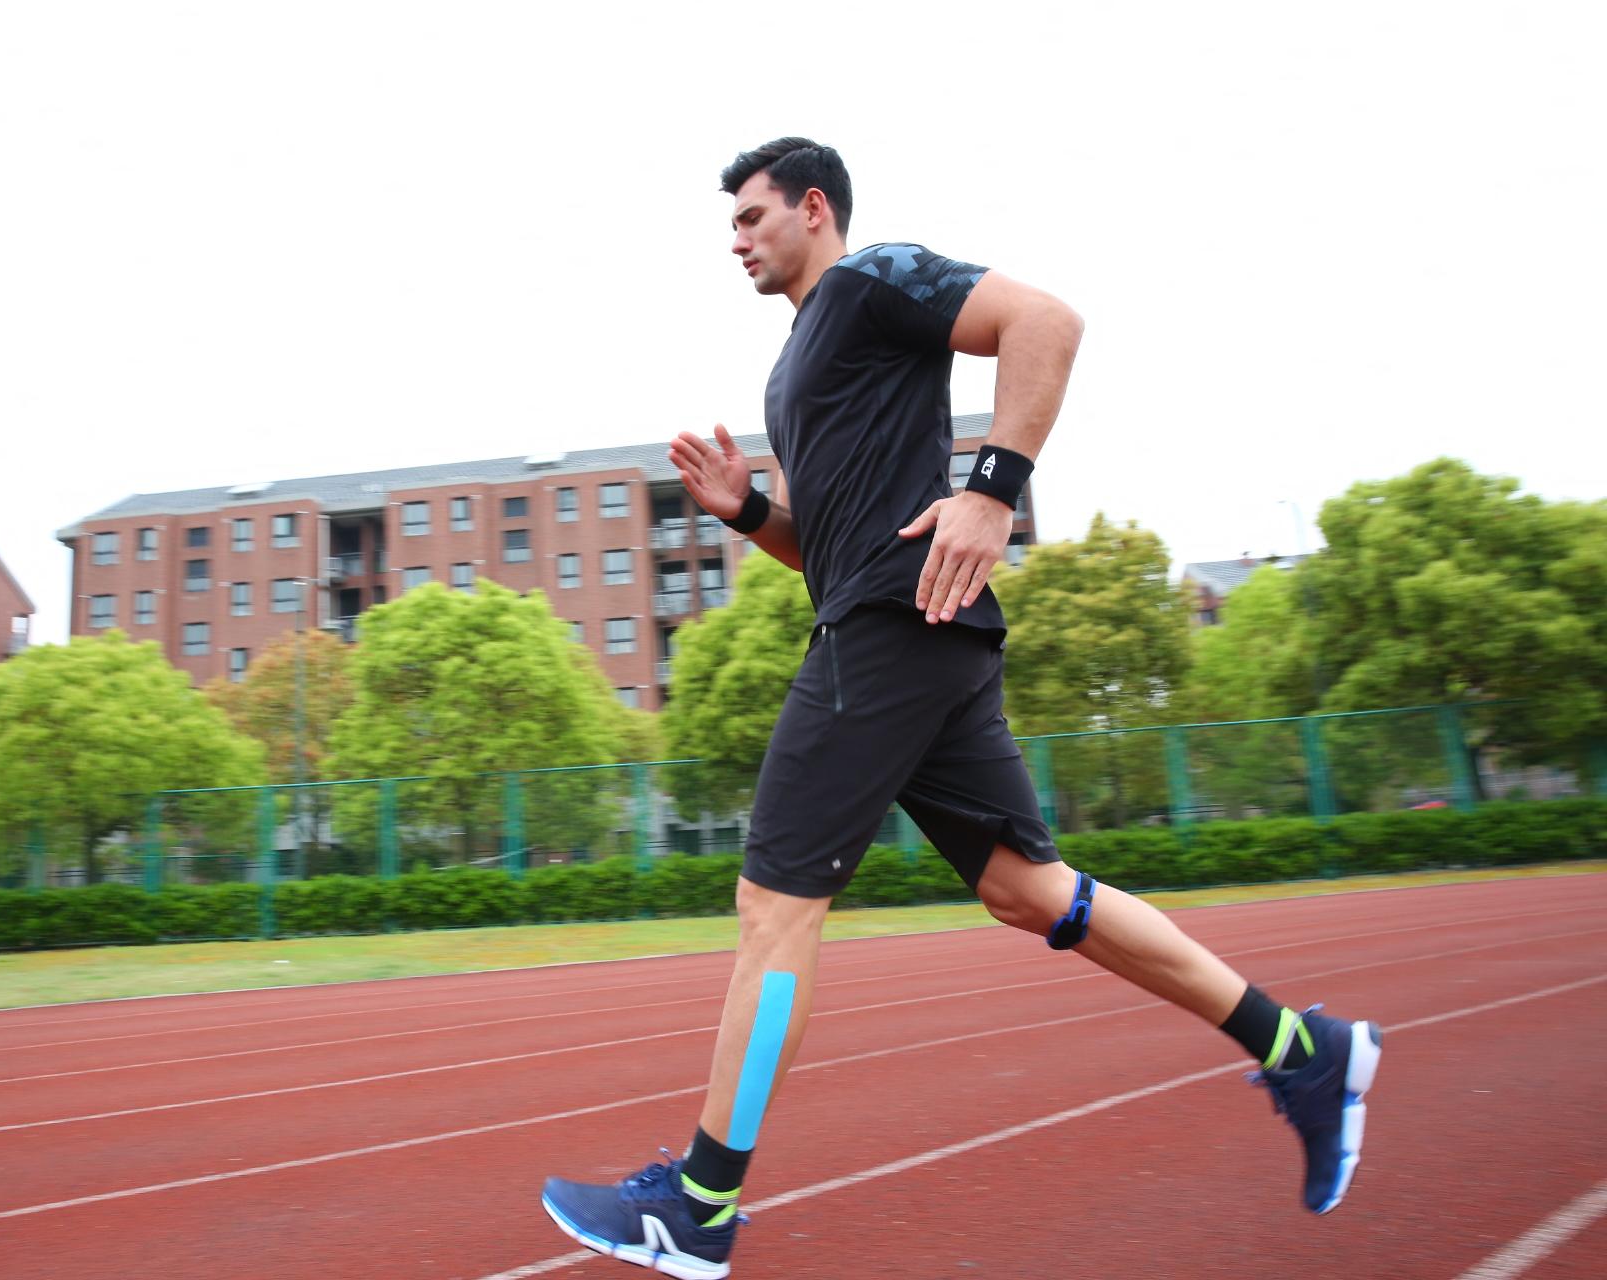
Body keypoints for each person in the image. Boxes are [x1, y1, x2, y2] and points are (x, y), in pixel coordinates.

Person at [540, 138, 1381, 1279]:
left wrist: (991, 490)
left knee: (773, 902)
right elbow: (830, 549)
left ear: (814, 209)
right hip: (905, 619)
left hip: (889, 632)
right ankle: (1303, 1046)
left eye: (749, 217)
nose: (735, 240)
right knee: (1023, 889)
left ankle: (699, 1204)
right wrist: (748, 512)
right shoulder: (803, 356)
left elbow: (1047, 322)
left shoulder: (871, 278)